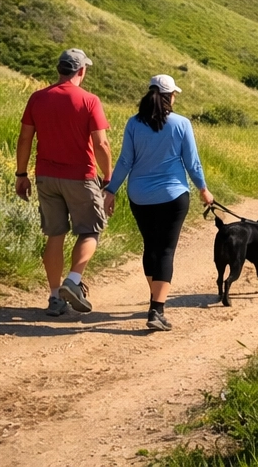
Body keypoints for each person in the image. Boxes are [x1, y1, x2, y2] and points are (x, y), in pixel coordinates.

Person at [103, 74, 213, 332]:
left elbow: (125, 162)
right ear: (170, 96)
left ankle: (155, 301)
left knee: (150, 247)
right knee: (166, 251)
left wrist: (111, 190)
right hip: (173, 196)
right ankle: (157, 309)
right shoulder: (182, 124)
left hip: (139, 196)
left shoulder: (133, 123)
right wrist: (203, 189)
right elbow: (192, 163)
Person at [17, 48, 114, 317]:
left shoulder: (37, 98)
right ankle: (72, 281)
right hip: (80, 177)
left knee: (55, 235)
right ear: (80, 71)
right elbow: (102, 143)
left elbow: (25, 138)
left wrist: (21, 174)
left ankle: (53, 296)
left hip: (46, 177)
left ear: (59, 70)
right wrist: (109, 178)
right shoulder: (89, 100)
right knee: (90, 230)